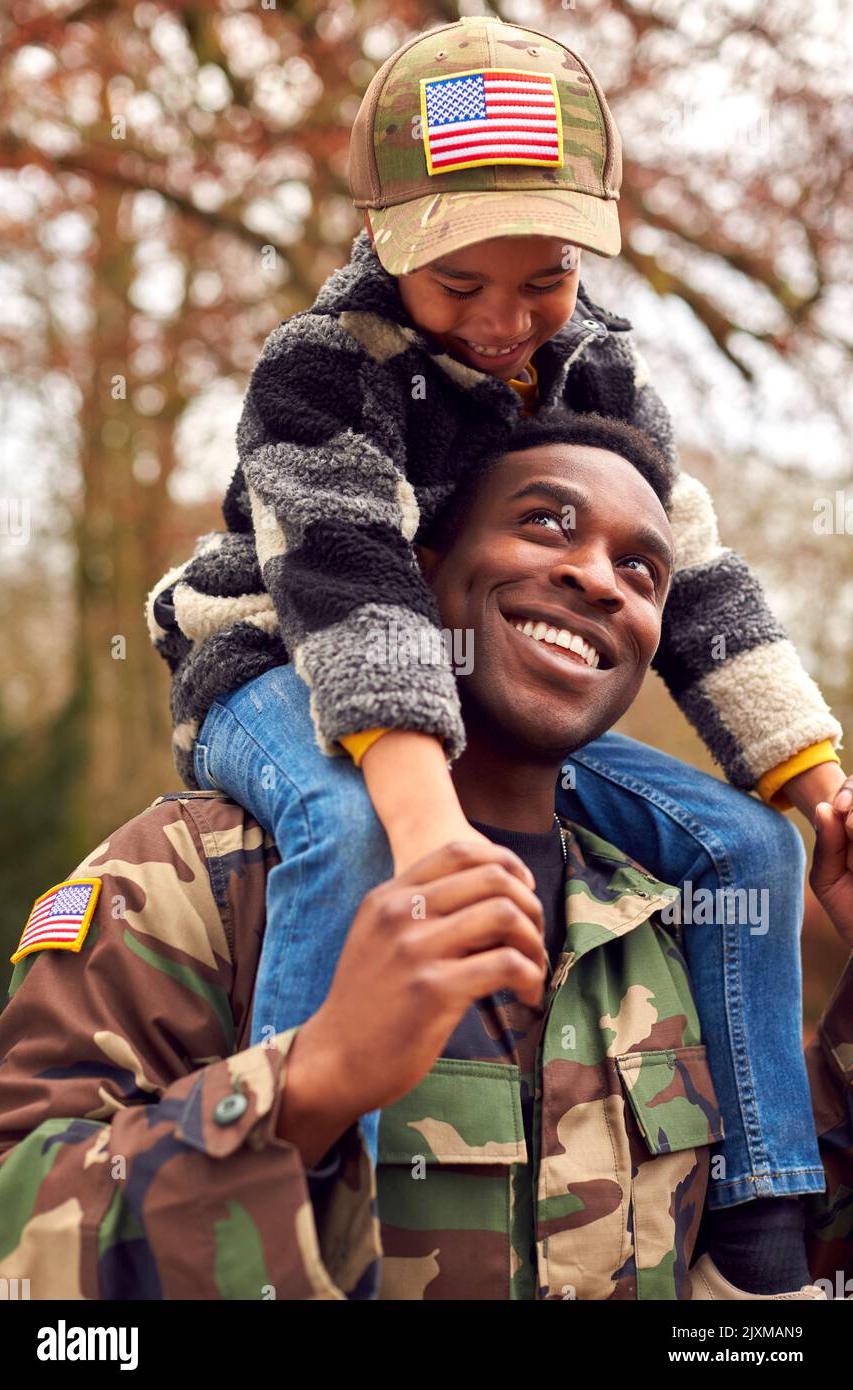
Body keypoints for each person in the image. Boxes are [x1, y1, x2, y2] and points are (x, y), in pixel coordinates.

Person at [147, 15, 848, 1287]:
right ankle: (311, 1183)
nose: (502, 322)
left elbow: (690, 576)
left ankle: (761, 1202)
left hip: (467, 680)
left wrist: (805, 773)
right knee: (353, 832)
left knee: (750, 848)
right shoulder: (321, 368)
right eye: (458, 285)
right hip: (272, 659)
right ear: (378, 235)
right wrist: (428, 831)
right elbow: (348, 586)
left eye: (542, 282)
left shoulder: (600, 375)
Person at [0, 419, 850, 1299]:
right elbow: (11, 1248)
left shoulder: (685, 915)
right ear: (419, 571)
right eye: (546, 523)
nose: (596, 576)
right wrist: (309, 1084)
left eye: (641, 571)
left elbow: (781, 1263)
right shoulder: (196, 877)